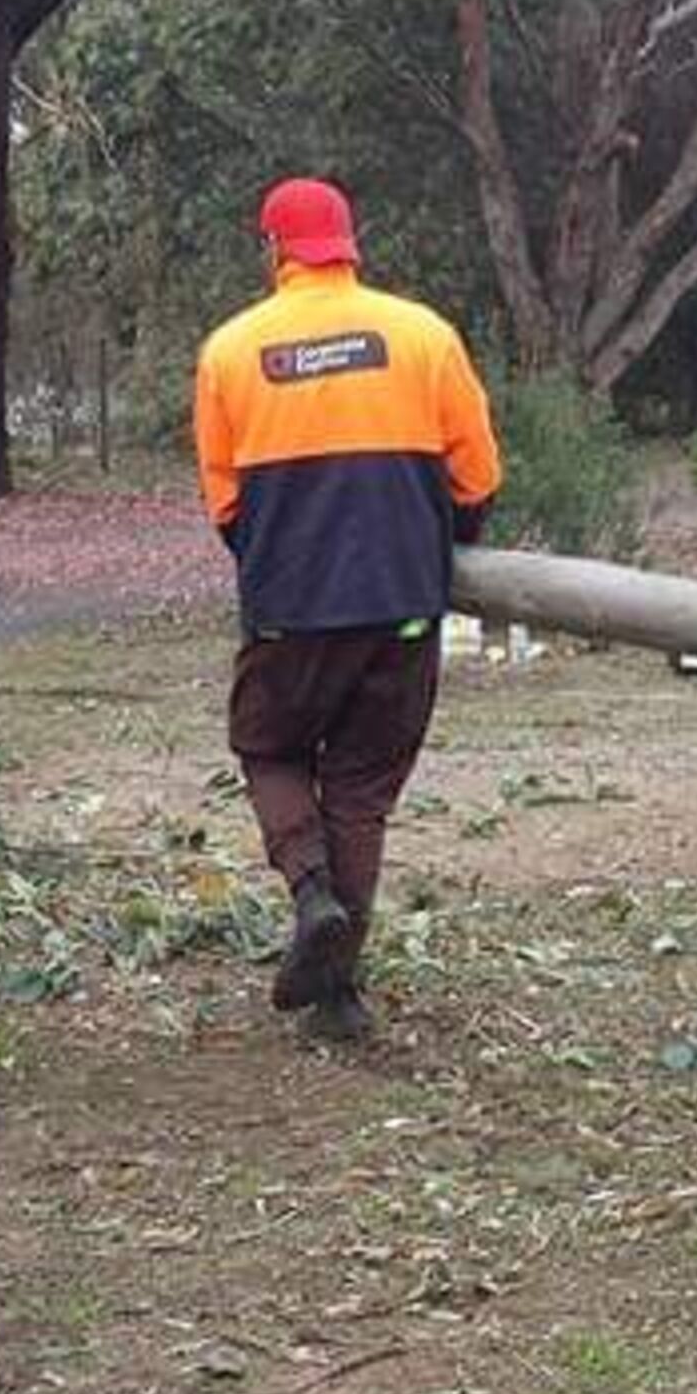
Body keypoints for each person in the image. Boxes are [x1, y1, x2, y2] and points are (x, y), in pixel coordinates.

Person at [194, 177, 502, 1044]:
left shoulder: (228, 352)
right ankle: (339, 994)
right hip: (402, 606)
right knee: (362, 789)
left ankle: (309, 892)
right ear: (350, 246)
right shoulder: (423, 334)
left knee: (268, 744)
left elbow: (226, 508)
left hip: (290, 607)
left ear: (273, 251)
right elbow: (476, 479)